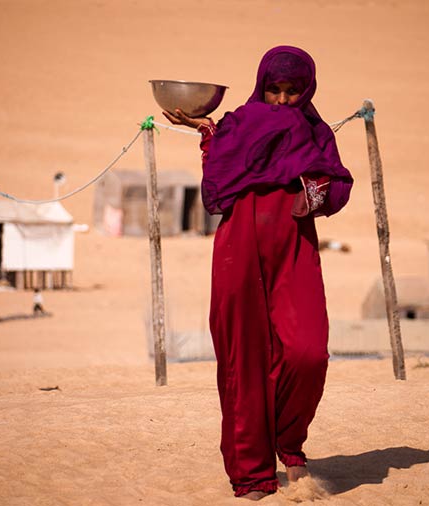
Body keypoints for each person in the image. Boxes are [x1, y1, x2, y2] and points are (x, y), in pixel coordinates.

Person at [164, 46, 354, 500]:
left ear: (307, 90)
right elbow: (219, 177)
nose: (284, 100)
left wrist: (311, 194)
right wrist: (206, 129)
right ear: (261, 85)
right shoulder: (238, 123)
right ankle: (251, 473)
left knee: (308, 351)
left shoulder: (316, 132)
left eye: (293, 90)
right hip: (239, 246)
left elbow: (337, 184)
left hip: (293, 243)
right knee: (243, 357)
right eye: (275, 88)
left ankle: (289, 446)